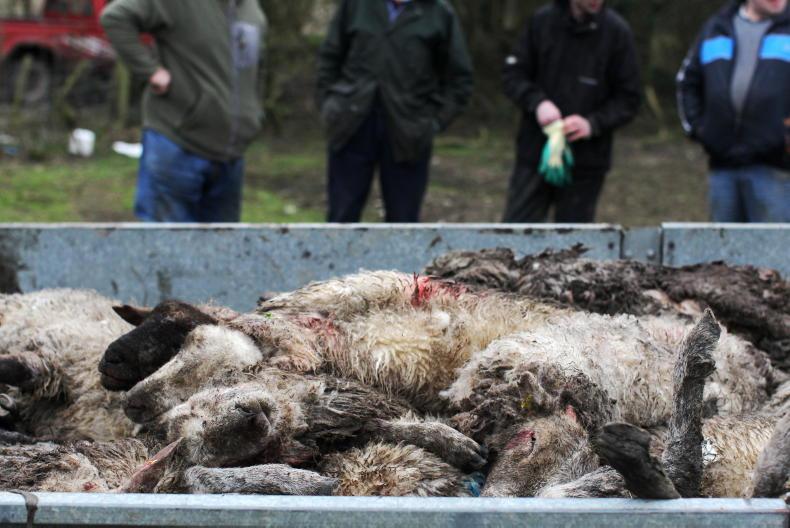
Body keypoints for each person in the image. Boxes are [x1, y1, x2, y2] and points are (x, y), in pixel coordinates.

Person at [101, 0, 267, 222]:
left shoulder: (250, 7)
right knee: (167, 249)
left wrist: (252, 114)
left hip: (231, 154)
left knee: (221, 250)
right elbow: (115, 17)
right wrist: (150, 71)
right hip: (177, 143)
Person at [316, 0, 474, 223]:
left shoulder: (439, 13)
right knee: (341, 216)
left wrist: (434, 122)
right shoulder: (356, 6)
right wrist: (330, 106)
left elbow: (460, 79)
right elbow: (329, 59)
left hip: (409, 130)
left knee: (404, 221)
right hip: (350, 124)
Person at [502, 0, 641, 223]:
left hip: (587, 161)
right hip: (535, 153)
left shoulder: (617, 32)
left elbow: (629, 98)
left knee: (574, 244)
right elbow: (513, 74)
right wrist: (537, 103)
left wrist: (593, 124)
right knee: (516, 233)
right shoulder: (542, 22)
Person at [677, 0, 790, 223]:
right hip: (722, 165)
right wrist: (700, 129)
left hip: (775, 167)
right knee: (724, 250)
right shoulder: (716, 28)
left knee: (772, 250)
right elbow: (687, 81)